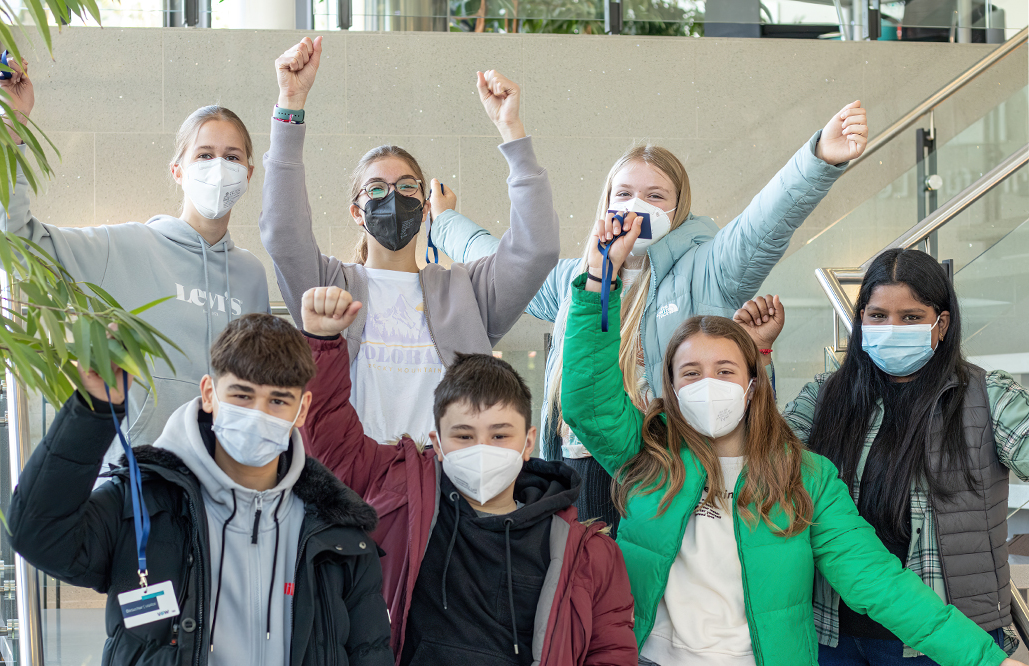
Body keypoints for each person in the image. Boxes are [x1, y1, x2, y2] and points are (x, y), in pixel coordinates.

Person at [556, 223, 1029, 666]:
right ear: (672, 387)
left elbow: (879, 583)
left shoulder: (804, 477)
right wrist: (599, 285)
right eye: (691, 373)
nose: (709, 385)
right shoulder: (648, 457)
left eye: (725, 371)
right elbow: (587, 400)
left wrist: (986, 659)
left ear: (752, 384)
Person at [429, 102, 868, 533]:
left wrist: (817, 160)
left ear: (678, 209)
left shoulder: (708, 268)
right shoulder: (576, 280)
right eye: (624, 194)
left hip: (663, 472)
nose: (636, 205)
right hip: (576, 469)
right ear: (606, 202)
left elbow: (764, 221)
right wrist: (444, 220)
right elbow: (498, 258)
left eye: (655, 195)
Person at [7, 314, 391, 666]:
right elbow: (40, 534)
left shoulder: (339, 536)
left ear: (302, 409)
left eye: (278, 401)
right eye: (242, 395)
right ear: (209, 393)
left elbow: (369, 654)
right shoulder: (145, 502)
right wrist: (92, 410)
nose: (258, 413)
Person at [297, 285, 637, 666]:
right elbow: (332, 442)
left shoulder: (588, 553)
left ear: (528, 443)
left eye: (499, 435)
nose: (482, 448)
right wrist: (323, 341)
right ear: (437, 444)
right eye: (463, 436)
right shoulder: (400, 492)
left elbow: (612, 652)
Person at [259, 37, 560, 446]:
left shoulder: (466, 291)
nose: (393, 197)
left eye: (406, 187)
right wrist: (290, 105)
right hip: (353, 484)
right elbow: (283, 232)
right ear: (356, 212)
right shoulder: (329, 286)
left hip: (447, 487)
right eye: (377, 190)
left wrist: (511, 130)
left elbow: (536, 248)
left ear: (423, 206)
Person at [734, 248, 1029, 663]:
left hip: (945, 634)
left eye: (910, 317)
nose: (892, 328)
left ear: (941, 324)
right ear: (860, 321)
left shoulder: (986, 396)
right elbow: (758, 458)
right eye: (877, 316)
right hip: (832, 632)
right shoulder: (825, 396)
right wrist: (755, 357)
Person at [0, 57, 271, 448]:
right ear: (178, 171)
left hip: (220, 484)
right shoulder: (123, 248)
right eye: (204, 155)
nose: (219, 167)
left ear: (249, 174)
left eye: (232, 157)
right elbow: (13, 242)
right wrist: (10, 127)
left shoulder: (251, 274)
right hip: (137, 483)